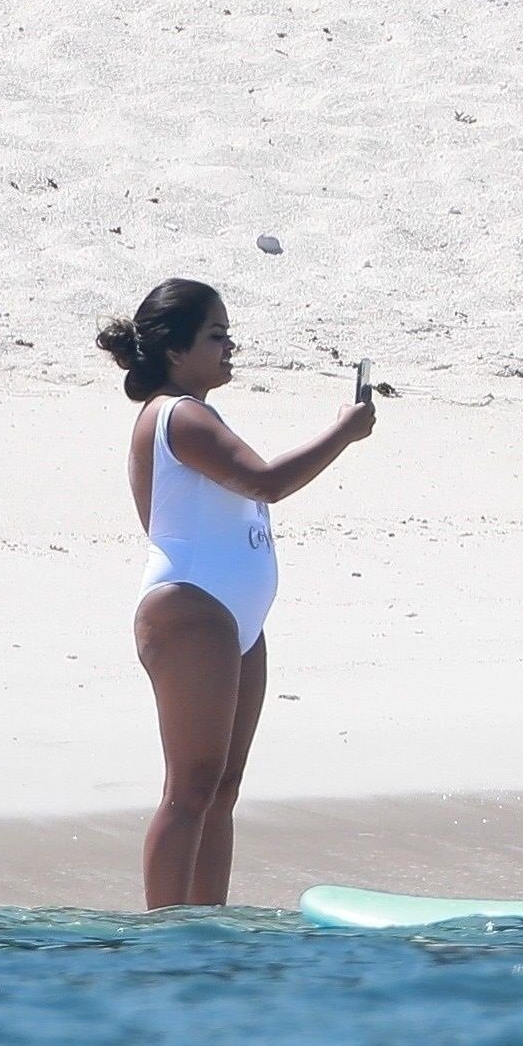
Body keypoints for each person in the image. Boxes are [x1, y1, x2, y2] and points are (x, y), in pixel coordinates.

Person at [98, 278, 376, 909]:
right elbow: (266, 482)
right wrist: (344, 432)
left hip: (235, 617)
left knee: (221, 789)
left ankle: (207, 930)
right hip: (193, 607)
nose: (231, 347)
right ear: (175, 351)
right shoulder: (180, 414)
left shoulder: (194, 414)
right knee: (189, 788)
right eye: (216, 336)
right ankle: (168, 935)